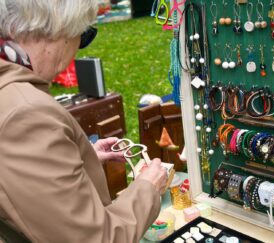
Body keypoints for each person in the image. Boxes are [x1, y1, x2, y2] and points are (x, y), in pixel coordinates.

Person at [0, 1, 167, 242]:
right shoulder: (26, 113)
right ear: (59, 31)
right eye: (84, 35)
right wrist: (147, 188)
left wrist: (74, 156)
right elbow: (96, 238)